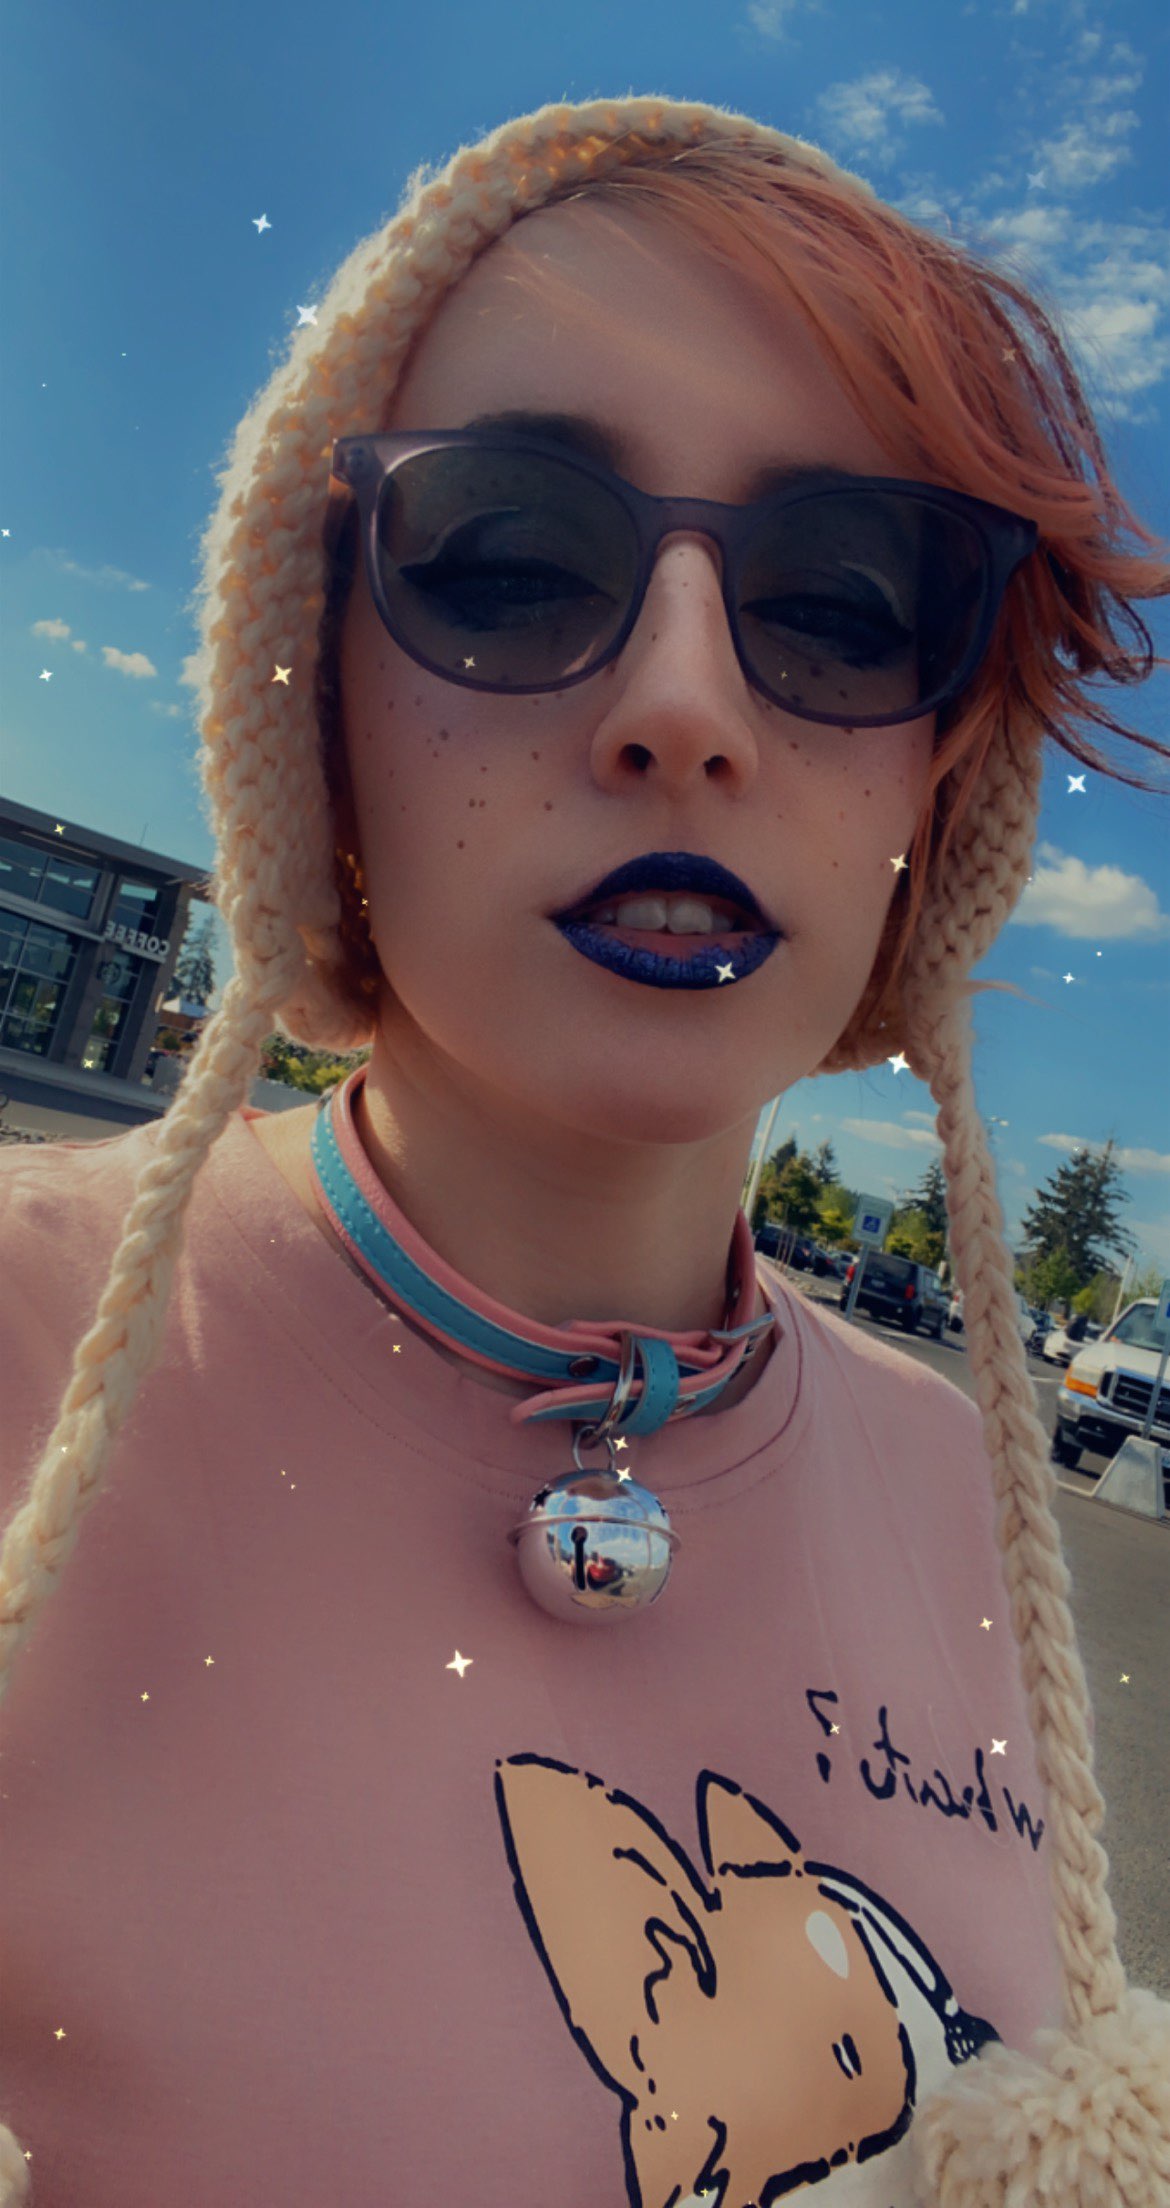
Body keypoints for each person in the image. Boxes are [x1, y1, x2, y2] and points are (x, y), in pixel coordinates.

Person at [1, 95, 1168, 2208]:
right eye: (514, 560)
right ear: (315, 697)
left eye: (844, 600)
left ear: (938, 783)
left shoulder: (959, 1484)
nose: (684, 704)